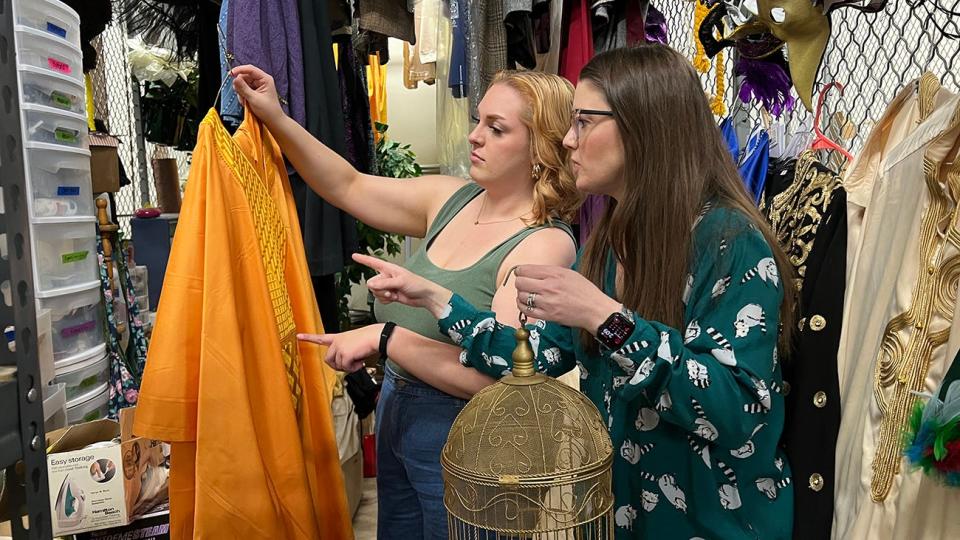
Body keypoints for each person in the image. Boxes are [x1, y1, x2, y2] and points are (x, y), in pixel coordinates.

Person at [340, 45, 797, 539]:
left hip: (712, 523)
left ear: (644, 127)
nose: (567, 140)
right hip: (620, 516)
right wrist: (435, 299)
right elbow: (536, 356)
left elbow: (738, 410)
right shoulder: (611, 240)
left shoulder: (730, 242)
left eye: (584, 122)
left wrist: (607, 319)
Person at [231, 65, 581, 539]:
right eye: (478, 121)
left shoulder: (541, 245)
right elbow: (347, 185)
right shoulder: (453, 198)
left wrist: (386, 338)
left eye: (496, 129)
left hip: (464, 434)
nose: (475, 137)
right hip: (399, 410)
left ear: (540, 149)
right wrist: (275, 116)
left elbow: (496, 382)